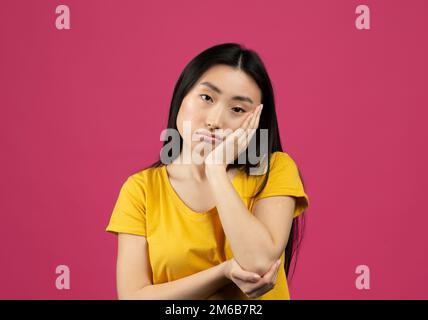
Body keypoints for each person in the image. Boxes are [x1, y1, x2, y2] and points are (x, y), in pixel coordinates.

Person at [106, 43, 309, 300]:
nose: (215, 121)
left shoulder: (275, 169)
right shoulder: (141, 190)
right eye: (206, 98)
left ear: (257, 121)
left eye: (237, 110)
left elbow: (257, 263)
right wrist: (222, 272)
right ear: (182, 95)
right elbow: (133, 297)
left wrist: (215, 169)